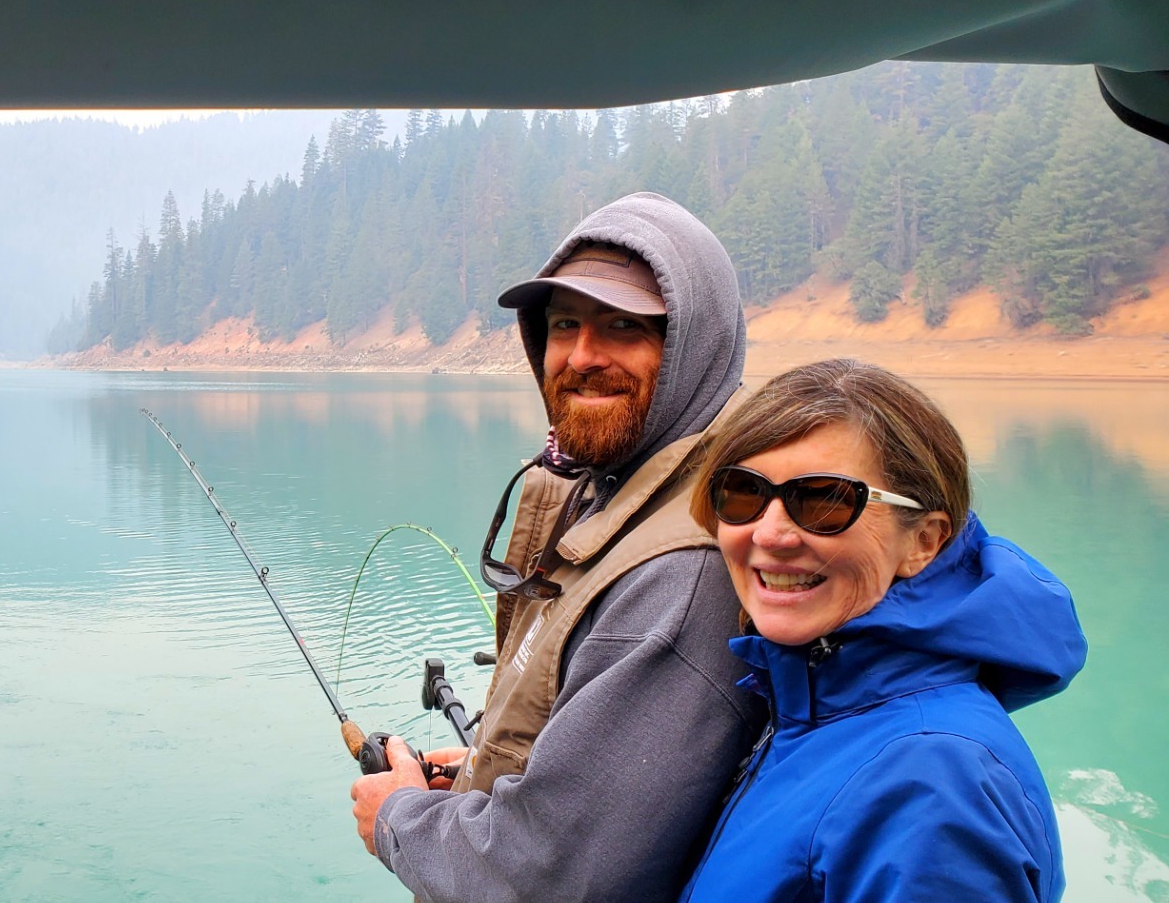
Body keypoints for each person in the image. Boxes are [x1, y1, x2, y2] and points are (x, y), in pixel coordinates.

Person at [350, 192, 765, 901]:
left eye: (625, 327)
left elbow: (553, 876)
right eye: (563, 324)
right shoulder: (618, 492)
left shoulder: (682, 574)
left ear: (695, 346)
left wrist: (400, 818)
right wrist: (487, 777)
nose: (580, 356)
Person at [678, 358, 1086, 902]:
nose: (770, 534)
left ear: (924, 541)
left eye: (824, 499)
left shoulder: (931, 786)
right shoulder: (813, 710)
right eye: (743, 493)